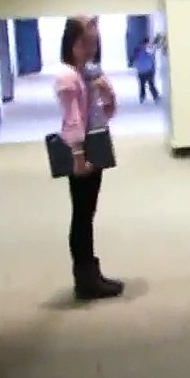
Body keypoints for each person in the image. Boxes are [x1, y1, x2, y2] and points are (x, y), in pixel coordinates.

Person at [56, 16, 124, 301]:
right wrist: (78, 156)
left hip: (95, 143)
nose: (91, 48)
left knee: (88, 213)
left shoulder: (88, 73)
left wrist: (108, 96)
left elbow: (101, 114)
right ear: (72, 44)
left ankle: (91, 273)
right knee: (82, 215)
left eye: (95, 42)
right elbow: (73, 120)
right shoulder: (68, 78)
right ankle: (85, 278)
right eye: (86, 42)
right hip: (80, 149)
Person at [133, 38, 160, 104]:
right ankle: (155, 96)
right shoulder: (148, 49)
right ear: (147, 43)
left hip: (141, 71)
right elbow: (153, 51)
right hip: (148, 70)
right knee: (151, 84)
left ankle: (142, 97)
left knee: (142, 85)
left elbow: (135, 59)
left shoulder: (138, 50)